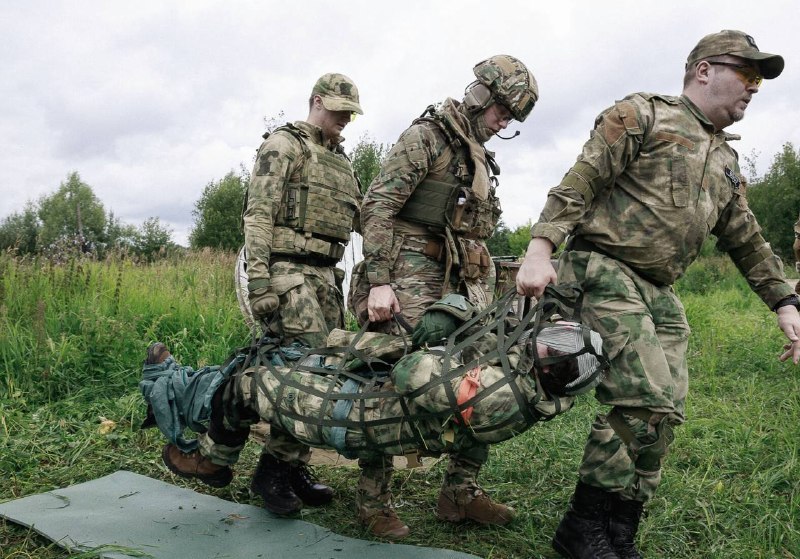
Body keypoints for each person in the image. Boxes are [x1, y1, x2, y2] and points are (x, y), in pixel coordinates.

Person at [515, 30, 798, 559]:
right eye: (748, 73)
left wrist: (784, 301)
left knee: (664, 412)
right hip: (604, 268)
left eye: (760, 80)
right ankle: (582, 530)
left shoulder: (725, 160)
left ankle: (619, 531)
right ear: (705, 69)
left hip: (660, 292)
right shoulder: (642, 114)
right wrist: (539, 248)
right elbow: (581, 180)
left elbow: (746, 238)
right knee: (640, 398)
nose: (755, 88)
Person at [144, 289, 607, 540]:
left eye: (553, 347)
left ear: (553, 366)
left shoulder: (492, 395)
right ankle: (450, 498)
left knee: (245, 381)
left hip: (357, 416)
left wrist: (430, 340)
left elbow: (413, 372)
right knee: (294, 360)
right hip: (380, 405)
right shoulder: (528, 395)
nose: (543, 342)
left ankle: (211, 459)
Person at [350, 54, 538, 536]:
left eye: (512, 117)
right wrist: (379, 281)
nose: (504, 123)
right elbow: (377, 207)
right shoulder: (426, 139)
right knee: (388, 379)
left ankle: (459, 493)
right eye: (502, 111)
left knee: (480, 377)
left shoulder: (474, 153)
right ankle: (374, 501)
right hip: (407, 279)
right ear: (480, 96)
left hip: (458, 285)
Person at [237, 72, 364, 517]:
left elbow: (363, 218)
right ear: (316, 102)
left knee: (327, 372)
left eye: (350, 113)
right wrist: (258, 282)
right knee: (302, 370)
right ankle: (272, 471)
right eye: (338, 110)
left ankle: (294, 466)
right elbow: (258, 215)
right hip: (287, 272)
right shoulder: (284, 145)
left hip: (327, 277)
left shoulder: (342, 163)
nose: (345, 119)